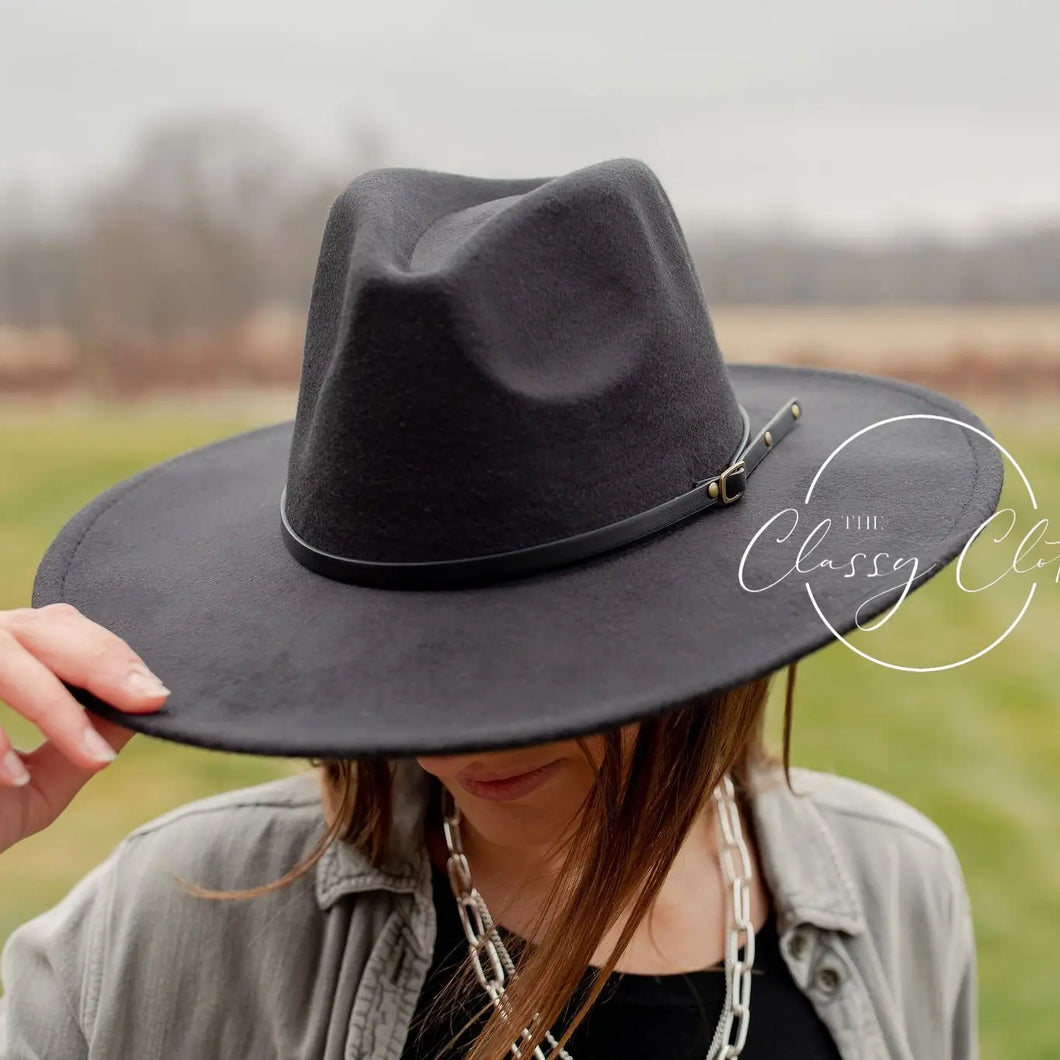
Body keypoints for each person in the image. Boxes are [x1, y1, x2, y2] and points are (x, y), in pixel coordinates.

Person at [0, 158, 996, 1059]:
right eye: (409, 655)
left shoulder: (891, 887)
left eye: (530, 652)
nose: (449, 747)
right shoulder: (179, 916)